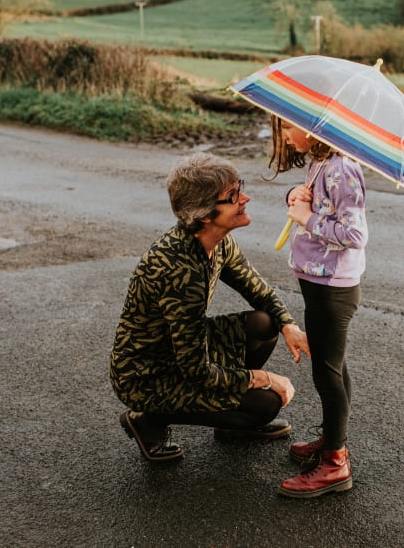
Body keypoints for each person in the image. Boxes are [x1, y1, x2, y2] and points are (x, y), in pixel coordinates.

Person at [110, 152, 310, 462]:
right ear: (205, 214)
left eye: (239, 187)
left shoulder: (217, 242)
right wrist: (263, 378)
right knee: (265, 404)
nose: (245, 197)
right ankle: (149, 419)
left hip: (178, 354)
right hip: (146, 377)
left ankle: (233, 424)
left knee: (265, 322)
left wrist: (289, 326)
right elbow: (195, 370)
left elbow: (258, 290)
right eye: (233, 195)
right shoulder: (179, 270)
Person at [266, 115, 368, 498]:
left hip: (333, 289)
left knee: (326, 372)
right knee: (333, 365)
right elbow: (322, 204)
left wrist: (306, 218)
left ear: (312, 128)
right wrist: (298, 193)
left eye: (288, 129)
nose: (286, 138)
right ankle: (331, 438)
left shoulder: (342, 168)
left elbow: (354, 233)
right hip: (318, 281)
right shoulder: (322, 163)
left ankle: (335, 463)